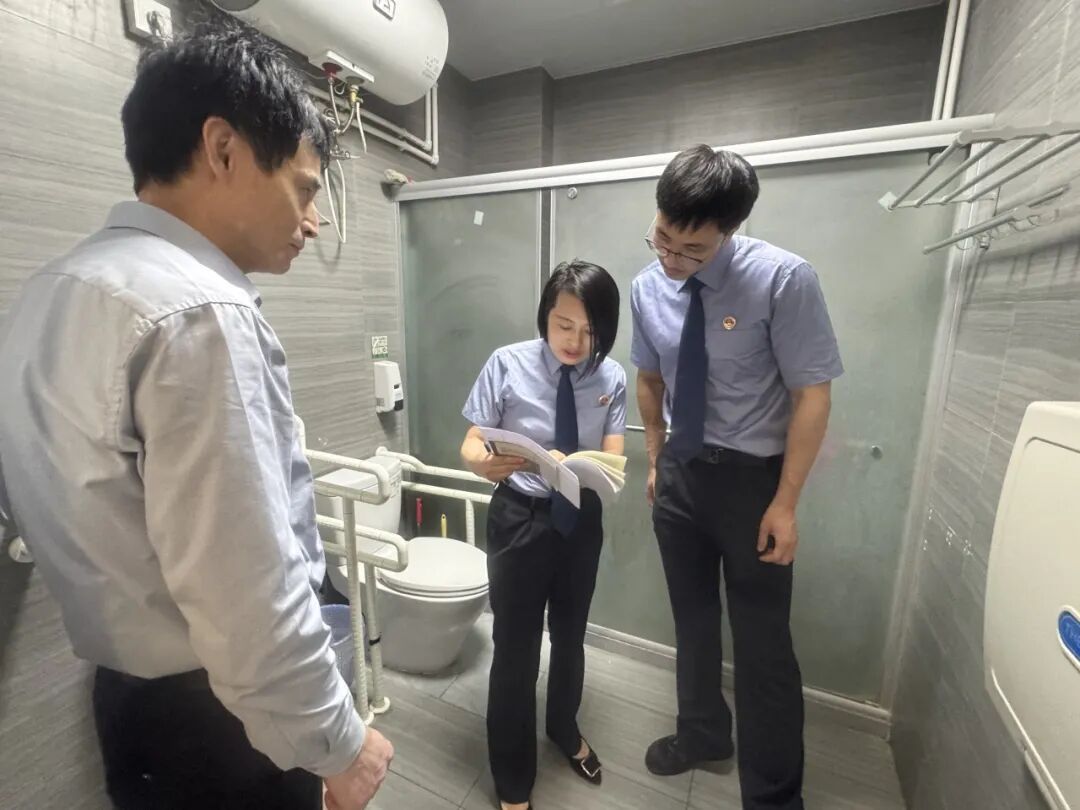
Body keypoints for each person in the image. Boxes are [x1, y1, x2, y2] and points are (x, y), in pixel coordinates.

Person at [0, 19, 393, 810]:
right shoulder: (203, 315)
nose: (313, 221)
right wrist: (340, 746)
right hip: (224, 722)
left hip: (125, 701)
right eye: (304, 189)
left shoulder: (47, 293)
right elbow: (251, 598)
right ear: (223, 150)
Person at [632, 145, 843, 809]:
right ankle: (702, 734)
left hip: (754, 483)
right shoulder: (646, 286)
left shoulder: (783, 280)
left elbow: (812, 396)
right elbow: (650, 379)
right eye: (662, 239)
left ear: (730, 230)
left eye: (692, 250)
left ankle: (774, 798)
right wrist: (656, 458)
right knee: (692, 620)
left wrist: (786, 503)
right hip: (681, 473)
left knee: (763, 646)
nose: (672, 260)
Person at [460, 260, 626, 810]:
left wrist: (586, 467)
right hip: (520, 516)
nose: (575, 341)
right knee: (516, 649)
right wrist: (481, 463)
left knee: (572, 635)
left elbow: (614, 455)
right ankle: (513, 784)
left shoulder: (611, 377)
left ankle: (562, 728)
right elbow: (471, 441)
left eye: (589, 330)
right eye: (563, 325)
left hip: (580, 519)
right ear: (545, 317)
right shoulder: (506, 363)